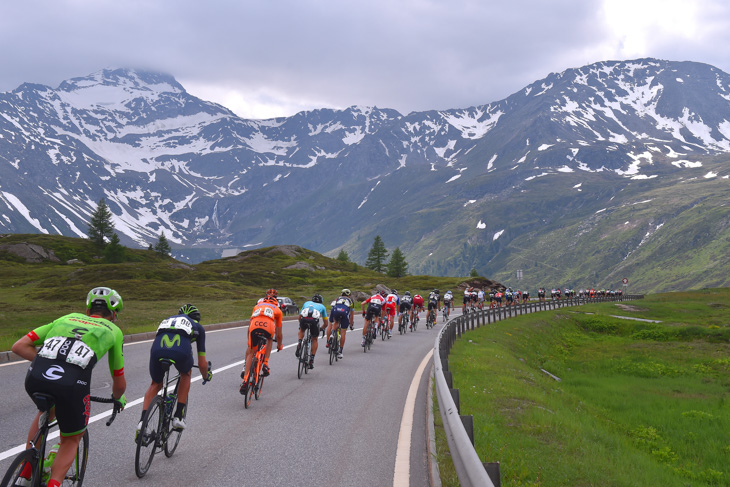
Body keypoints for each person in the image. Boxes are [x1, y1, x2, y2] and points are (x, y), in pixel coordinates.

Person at [11, 287, 127, 487]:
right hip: (71, 385)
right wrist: (118, 397)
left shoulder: (66, 318)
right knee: (72, 439)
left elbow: (18, 346)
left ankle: (26, 472)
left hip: (35, 377)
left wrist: (48, 362)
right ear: (114, 314)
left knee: (44, 411)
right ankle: (54, 483)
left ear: (88, 309)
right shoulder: (113, 331)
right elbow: (118, 379)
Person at [137, 304, 211, 435]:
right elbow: (202, 364)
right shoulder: (198, 327)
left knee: (155, 383)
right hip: (180, 350)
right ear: (196, 319)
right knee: (186, 374)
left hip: (157, 349)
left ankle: (142, 424)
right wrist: (206, 376)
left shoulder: (168, 320)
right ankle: (178, 416)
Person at [240, 290, 283, 394]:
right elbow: (279, 333)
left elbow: (249, 327)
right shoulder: (277, 309)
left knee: (251, 351)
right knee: (269, 339)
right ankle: (266, 363)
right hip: (268, 327)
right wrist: (279, 344)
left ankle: (245, 380)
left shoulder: (257, 306)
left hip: (254, 326)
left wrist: (249, 342)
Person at [296, 294, 329, 369]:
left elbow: (300, 316)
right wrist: (320, 329)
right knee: (314, 339)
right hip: (314, 321)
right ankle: (312, 359)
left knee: (302, 330)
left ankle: (299, 342)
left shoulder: (306, 303)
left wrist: (300, 326)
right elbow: (326, 323)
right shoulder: (322, 307)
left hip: (304, 319)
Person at [326, 289, 355, 359]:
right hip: (344, 313)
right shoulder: (351, 301)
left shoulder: (338, 299)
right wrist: (351, 325)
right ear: (349, 295)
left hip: (335, 311)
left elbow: (333, 306)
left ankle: (332, 334)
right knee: (343, 332)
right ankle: (340, 352)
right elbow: (351, 315)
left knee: (335, 322)